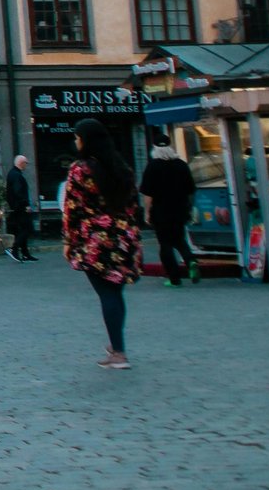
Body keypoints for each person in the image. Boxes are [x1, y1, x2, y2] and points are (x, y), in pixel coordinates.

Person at [61, 117, 142, 370]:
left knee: (106, 293)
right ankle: (117, 345)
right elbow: (132, 205)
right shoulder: (122, 167)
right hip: (122, 236)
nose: (75, 141)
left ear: (85, 140)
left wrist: (68, 242)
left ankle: (118, 352)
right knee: (115, 293)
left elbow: (72, 209)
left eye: (77, 137)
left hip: (95, 239)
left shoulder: (80, 169)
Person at [140, 142, 198, 286]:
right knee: (179, 239)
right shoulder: (181, 165)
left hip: (160, 211)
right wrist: (189, 208)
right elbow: (191, 189)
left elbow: (148, 194)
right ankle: (191, 261)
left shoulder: (153, 166)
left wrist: (146, 212)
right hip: (180, 209)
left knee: (164, 243)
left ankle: (174, 278)